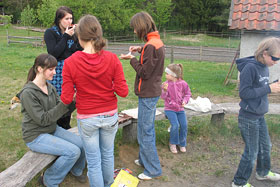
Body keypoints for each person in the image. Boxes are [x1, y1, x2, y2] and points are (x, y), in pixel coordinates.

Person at [60, 15, 129, 187]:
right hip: (109, 115)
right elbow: (123, 92)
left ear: (79, 37)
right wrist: (108, 83)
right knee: (107, 155)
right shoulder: (112, 59)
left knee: (93, 160)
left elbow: (66, 99)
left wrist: (78, 89)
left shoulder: (70, 62)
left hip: (87, 118)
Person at [19, 53, 86, 187]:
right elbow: (43, 119)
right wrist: (64, 103)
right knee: (72, 152)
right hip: (36, 135)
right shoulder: (28, 93)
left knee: (83, 143)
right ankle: (49, 180)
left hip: (52, 129)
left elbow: (60, 113)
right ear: (39, 69)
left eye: (55, 69)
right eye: (51, 69)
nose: (55, 72)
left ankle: (76, 170)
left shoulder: (50, 88)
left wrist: (73, 101)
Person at [120, 11, 164, 180]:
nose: (133, 32)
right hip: (151, 92)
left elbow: (144, 72)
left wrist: (132, 59)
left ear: (141, 27)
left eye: (134, 29)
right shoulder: (154, 42)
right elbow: (151, 58)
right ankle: (145, 160)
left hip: (148, 93)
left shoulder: (151, 45)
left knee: (145, 132)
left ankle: (153, 169)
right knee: (145, 128)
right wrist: (140, 50)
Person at [232, 37, 280, 187]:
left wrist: (272, 87)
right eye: (275, 58)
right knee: (251, 152)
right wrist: (268, 89)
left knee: (266, 146)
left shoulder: (265, 67)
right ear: (264, 53)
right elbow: (244, 93)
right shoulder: (250, 68)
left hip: (259, 115)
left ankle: (263, 172)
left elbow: (259, 90)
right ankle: (239, 182)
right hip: (248, 117)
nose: (276, 61)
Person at [44, 6, 82, 129]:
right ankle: (58, 125)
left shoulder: (73, 33)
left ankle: (65, 123)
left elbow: (78, 51)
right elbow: (54, 53)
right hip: (58, 72)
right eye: (66, 19)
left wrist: (79, 36)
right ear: (59, 19)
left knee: (72, 99)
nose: (69, 21)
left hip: (72, 70)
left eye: (71, 18)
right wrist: (65, 36)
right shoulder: (51, 33)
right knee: (59, 100)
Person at [161, 63, 191, 154]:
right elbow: (163, 97)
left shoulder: (183, 83)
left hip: (180, 109)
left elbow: (187, 94)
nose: (165, 75)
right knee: (175, 125)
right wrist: (165, 91)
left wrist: (185, 101)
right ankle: (173, 143)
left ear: (174, 75)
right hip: (169, 109)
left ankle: (182, 143)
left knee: (184, 125)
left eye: (167, 73)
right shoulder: (165, 84)